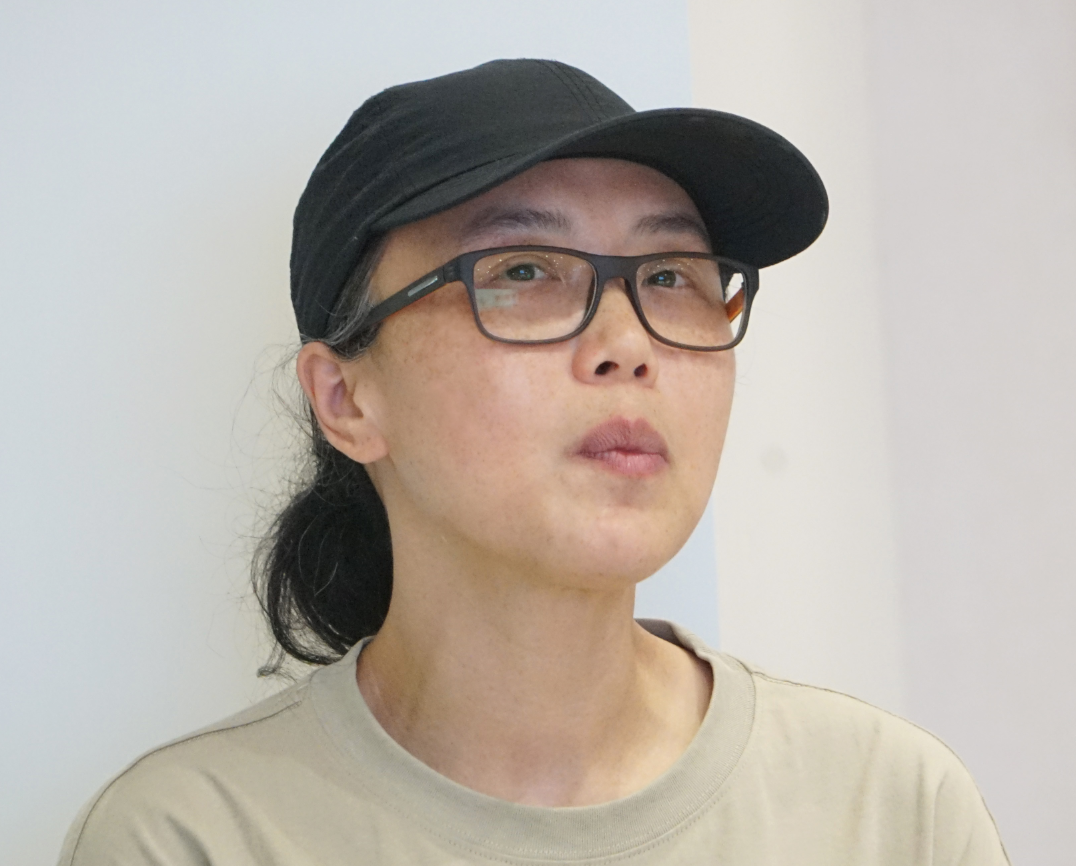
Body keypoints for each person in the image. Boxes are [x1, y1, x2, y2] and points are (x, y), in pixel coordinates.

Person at [58, 59, 1009, 865]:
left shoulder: (890, 811)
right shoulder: (193, 838)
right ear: (346, 398)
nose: (627, 343)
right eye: (522, 271)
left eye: (669, 276)